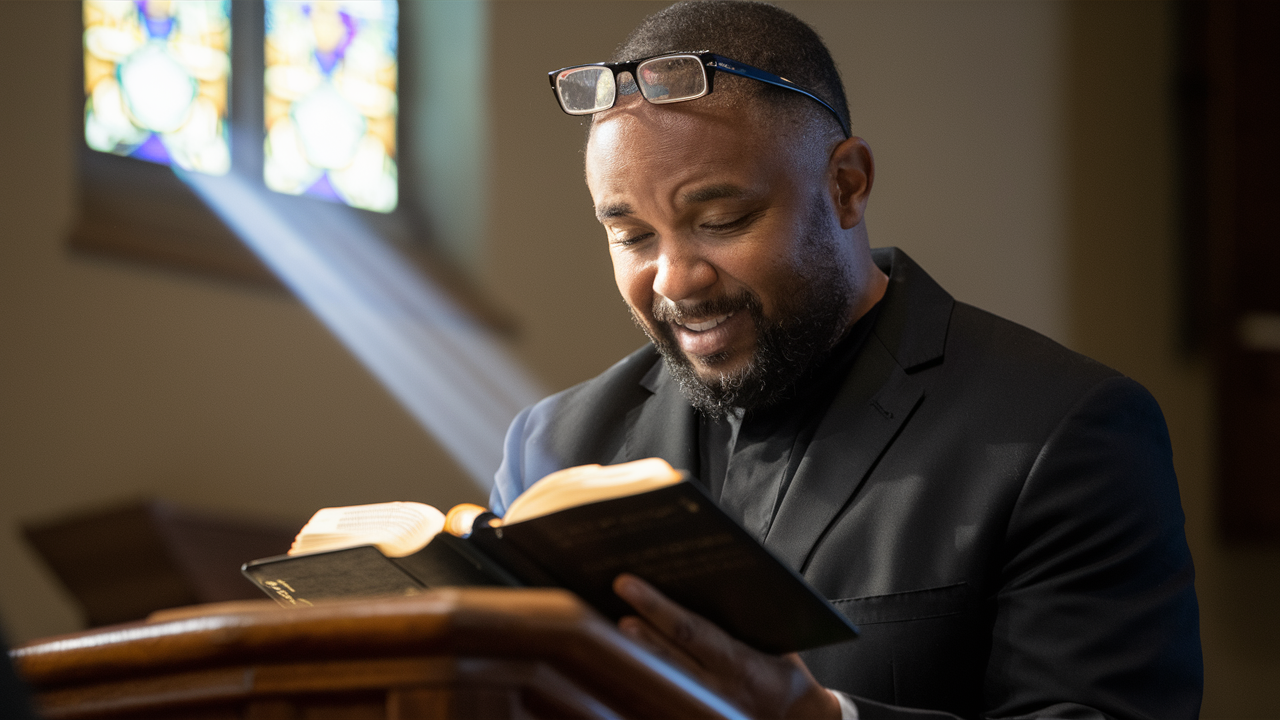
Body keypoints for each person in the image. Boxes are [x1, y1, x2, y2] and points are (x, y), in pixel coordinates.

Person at [491, 2, 1202, 718]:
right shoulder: (552, 449)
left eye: (722, 222)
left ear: (847, 185)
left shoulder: (1064, 433)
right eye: (634, 236)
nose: (675, 279)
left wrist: (813, 718)